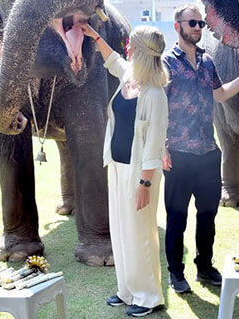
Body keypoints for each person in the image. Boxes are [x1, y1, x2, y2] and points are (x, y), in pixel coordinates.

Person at [162, 4, 239, 293]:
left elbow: (221, 93)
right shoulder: (166, 64)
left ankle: (205, 266)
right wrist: (162, 147)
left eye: (200, 23)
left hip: (208, 153)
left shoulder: (207, 61)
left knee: (207, 215)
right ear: (178, 27)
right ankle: (176, 273)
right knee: (177, 218)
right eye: (192, 23)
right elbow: (156, 107)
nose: (198, 27)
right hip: (177, 154)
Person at [82, 23, 169, 317]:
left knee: (141, 234)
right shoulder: (129, 77)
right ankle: (127, 290)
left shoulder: (155, 95)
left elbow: (155, 144)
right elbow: (114, 60)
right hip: (117, 167)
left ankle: (148, 297)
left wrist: (144, 185)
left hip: (140, 175)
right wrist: (94, 36)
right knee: (120, 231)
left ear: (142, 52)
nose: (127, 49)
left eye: (131, 45)